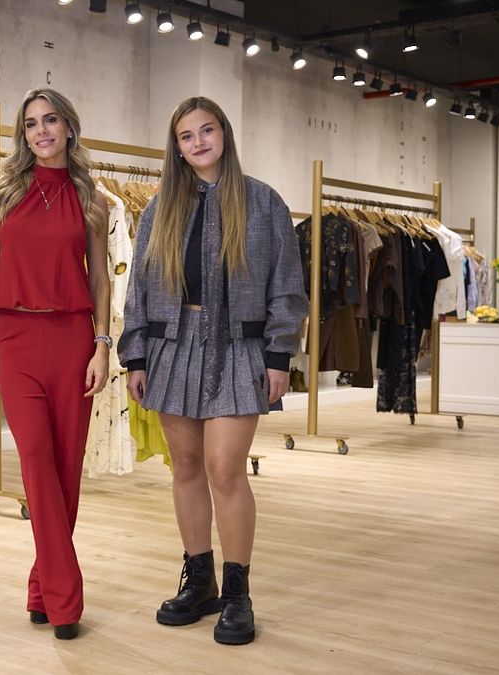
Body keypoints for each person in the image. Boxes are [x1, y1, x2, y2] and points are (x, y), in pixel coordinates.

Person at [118, 96, 307, 646]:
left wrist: (278, 356)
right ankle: (198, 580)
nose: (198, 142)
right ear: (176, 147)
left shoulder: (263, 203)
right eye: (186, 135)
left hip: (239, 348)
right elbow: (140, 287)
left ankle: (237, 592)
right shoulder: (159, 208)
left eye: (206, 130)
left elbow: (286, 284)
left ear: (223, 133)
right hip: (172, 348)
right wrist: (135, 355)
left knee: (226, 470)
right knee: (185, 467)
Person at [0, 88, 111, 641]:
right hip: (16, 337)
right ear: (23, 136)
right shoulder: (3, 193)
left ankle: (41, 586)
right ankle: (65, 599)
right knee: (34, 462)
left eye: (50, 120)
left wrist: (103, 343)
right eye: (31, 124)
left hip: (73, 338)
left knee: (65, 469)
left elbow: (101, 278)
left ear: (68, 127)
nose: (41, 132)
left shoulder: (93, 199)